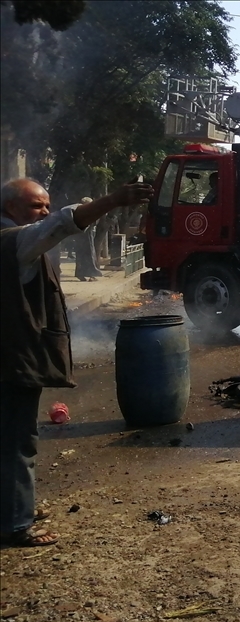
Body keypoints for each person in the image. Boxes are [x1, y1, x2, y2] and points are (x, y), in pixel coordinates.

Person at [1, 177, 153, 547]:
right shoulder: (14, 240)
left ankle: (13, 506)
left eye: (46, 204)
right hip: (11, 360)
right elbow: (60, 224)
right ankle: (16, 524)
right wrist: (112, 200)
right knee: (17, 441)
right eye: (36, 205)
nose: (44, 211)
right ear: (11, 208)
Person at [67, 197, 102, 281]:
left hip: (82, 236)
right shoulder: (86, 212)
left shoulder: (78, 212)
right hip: (86, 236)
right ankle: (90, 274)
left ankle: (82, 274)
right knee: (88, 255)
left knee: (81, 255)